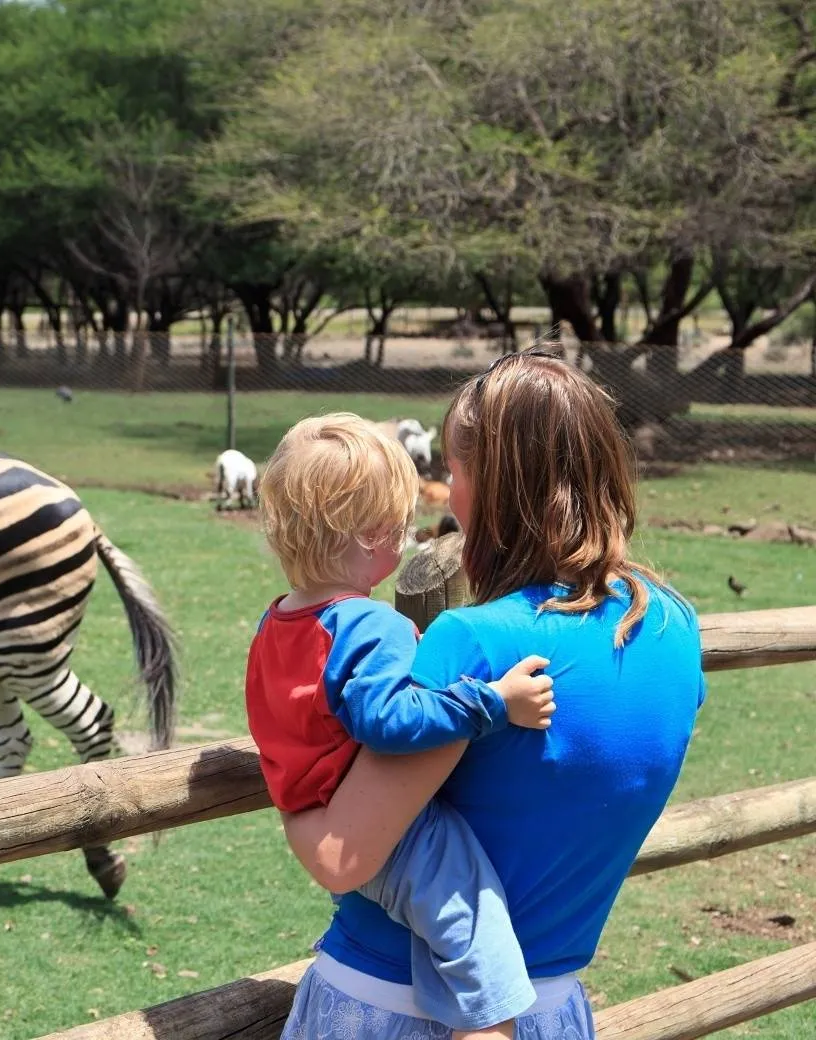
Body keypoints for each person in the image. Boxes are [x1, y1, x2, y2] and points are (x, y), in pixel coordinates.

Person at [278, 353, 707, 1040]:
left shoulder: (472, 643)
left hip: (392, 1007)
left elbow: (342, 855)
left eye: (455, 470)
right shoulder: (674, 628)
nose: (450, 494)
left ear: (497, 485)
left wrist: (289, 798)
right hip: (553, 1008)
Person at [246, 413, 556, 1040]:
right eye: (401, 526)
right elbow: (388, 721)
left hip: (320, 811)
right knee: (475, 921)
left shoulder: (276, 623)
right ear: (371, 537)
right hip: (394, 828)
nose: (410, 536)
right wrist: (497, 702)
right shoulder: (369, 624)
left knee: (435, 925)